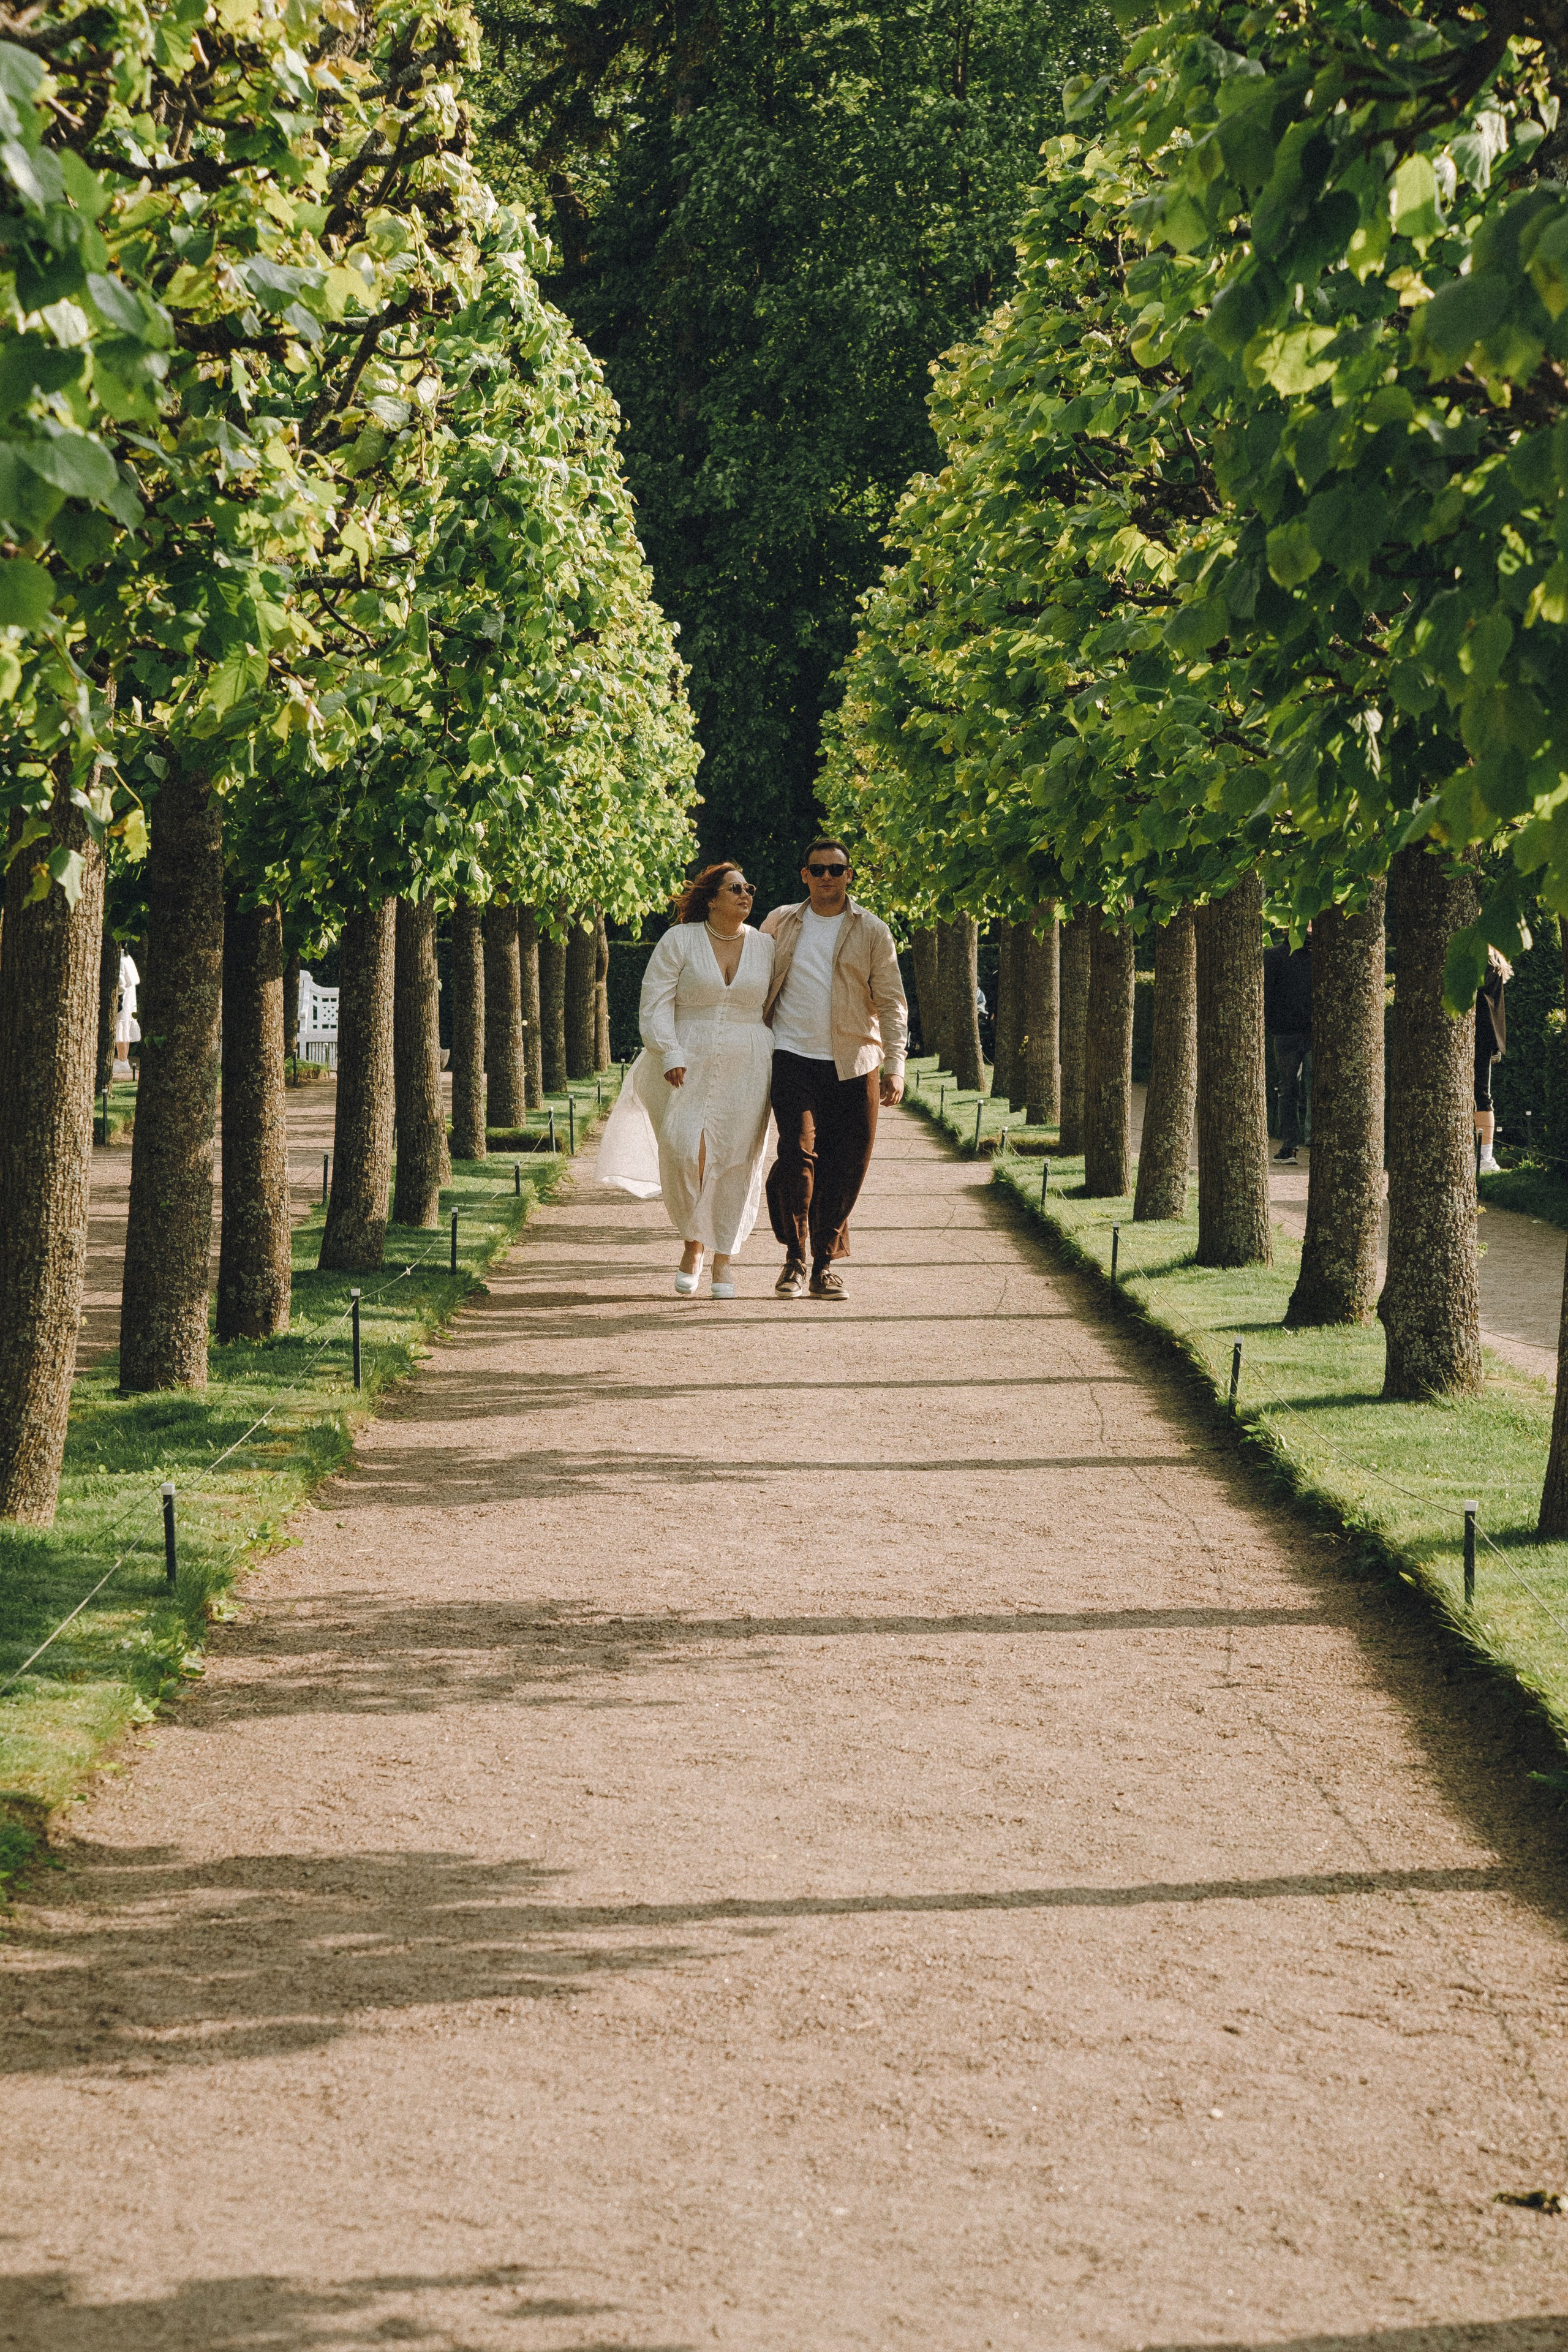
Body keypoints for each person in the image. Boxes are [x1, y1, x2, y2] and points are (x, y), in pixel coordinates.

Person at [597, 862, 775, 1298]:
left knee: (736, 1158)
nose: (745, 894)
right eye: (735, 888)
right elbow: (654, 1001)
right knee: (682, 1150)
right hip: (683, 1059)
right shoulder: (679, 940)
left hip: (749, 1064)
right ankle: (692, 1242)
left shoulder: (768, 946)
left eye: (749, 887)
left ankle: (722, 1259)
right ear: (712, 898)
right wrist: (669, 1051)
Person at [761, 836, 908, 1300]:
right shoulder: (780, 922)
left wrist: (896, 1065)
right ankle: (795, 1258)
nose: (827, 876)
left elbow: (891, 1002)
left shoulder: (873, 930)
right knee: (797, 1156)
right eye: (818, 869)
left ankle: (824, 1264)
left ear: (849, 876)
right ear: (804, 875)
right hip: (791, 1055)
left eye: (836, 869)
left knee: (846, 1166)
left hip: (855, 1060)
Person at [1263, 928, 1311, 1163]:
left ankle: (1291, 1146)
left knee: (1288, 1090)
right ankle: (1311, 1140)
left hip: (1285, 1031)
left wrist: (1271, 1024)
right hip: (1312, 1031)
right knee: (1310, 1090)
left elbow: (1267, 996)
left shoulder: (1272, 957)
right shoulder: (1319, 957)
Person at [1476, 946, 1512, 1176]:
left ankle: (1485, 1157)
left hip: (1480, 1035)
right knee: (1481, 1094)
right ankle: (1484, 1156)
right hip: (1486, 1036)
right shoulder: (1494, 959)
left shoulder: (1486, 959)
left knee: (1481, 1095)